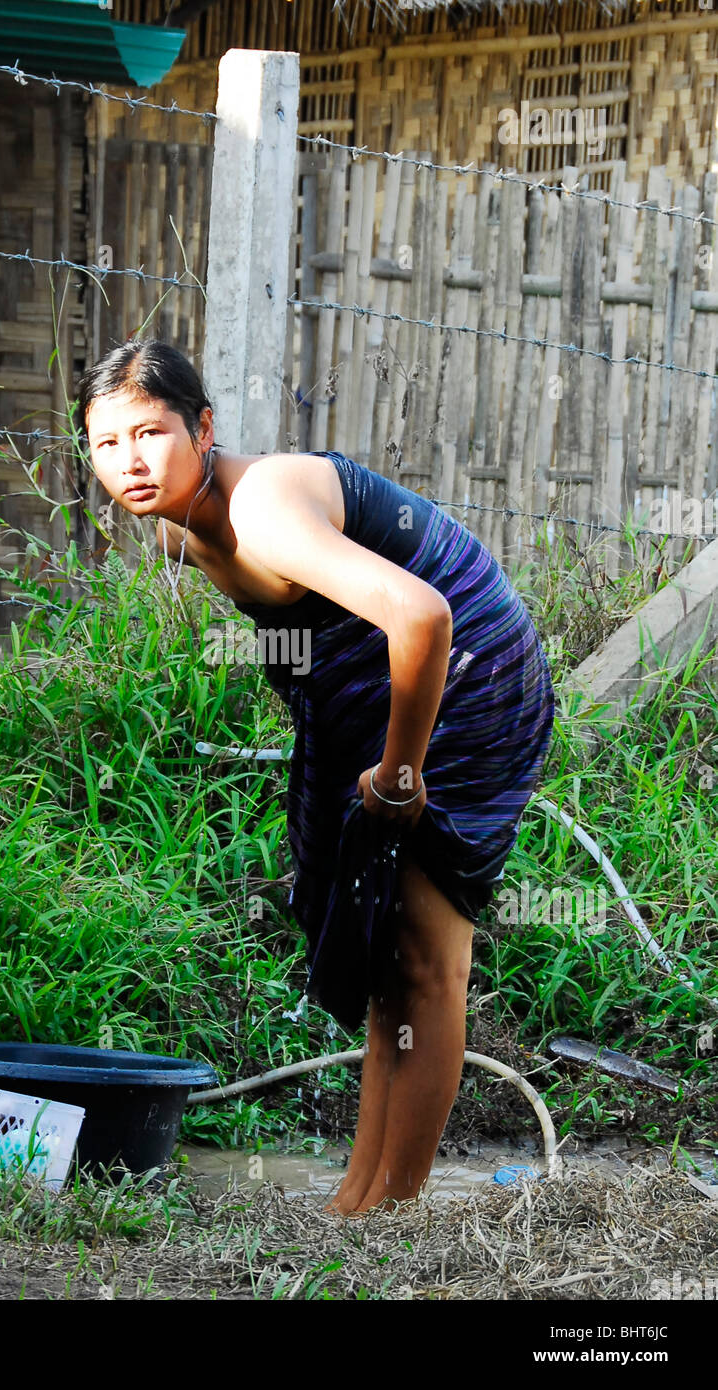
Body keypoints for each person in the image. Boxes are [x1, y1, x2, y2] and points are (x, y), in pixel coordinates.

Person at [77, 338, 556, 1217]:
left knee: (424, 957)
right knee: (380, 950)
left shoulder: (262, 508)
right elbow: (322, 634)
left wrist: (401, 777)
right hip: (375, 687)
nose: (130, 461)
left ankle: (391, 1216)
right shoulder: (175, 532)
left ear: (205, 427)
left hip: (467, 677)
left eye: (150, 433)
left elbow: (422, 614)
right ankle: (355, 1200)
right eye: (106, 443)